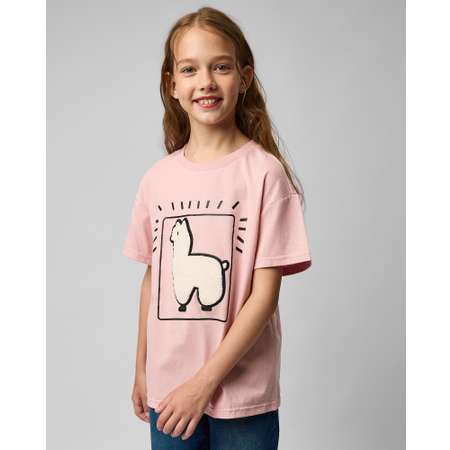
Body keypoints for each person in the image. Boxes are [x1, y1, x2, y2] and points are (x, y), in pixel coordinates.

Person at [122, 6, 312, 449]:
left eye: (221, 67)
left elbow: (264, 296)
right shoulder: (157, 179)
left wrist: (203, 384)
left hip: (243, 395)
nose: (205, 81)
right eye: (190, 69)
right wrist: (142, 369)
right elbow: (153, 280)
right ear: (172, 84)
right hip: (169, 390)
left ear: (244, 78)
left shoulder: (264, 175)